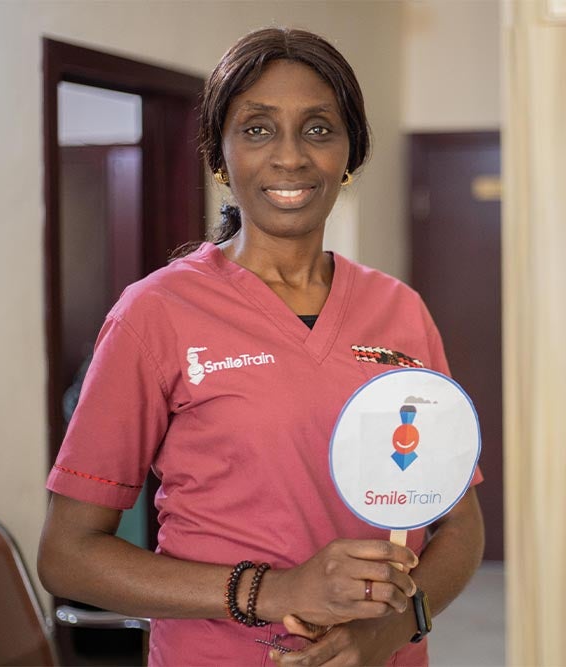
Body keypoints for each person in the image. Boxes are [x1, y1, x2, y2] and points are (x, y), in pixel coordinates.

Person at [38, 27, 484, 667]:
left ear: (349, 154)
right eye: (256, 129)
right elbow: (68, 553)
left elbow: (460, 526)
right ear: (219, 158)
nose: (290, 156)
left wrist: (390, 632)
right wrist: (274, 591)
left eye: (318, 129)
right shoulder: (155, 315)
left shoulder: (400, 313)